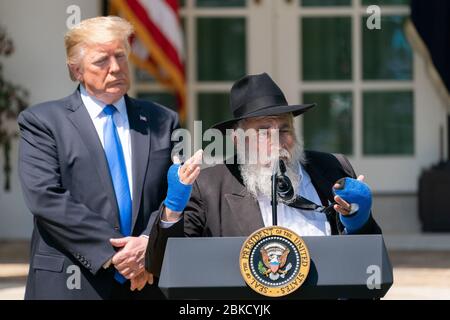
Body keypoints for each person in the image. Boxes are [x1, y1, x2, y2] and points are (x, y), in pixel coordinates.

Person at [17, 16, 197, 299]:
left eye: (121, 57)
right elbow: (45, 197)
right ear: (76, 70)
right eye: (102, 61)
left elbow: (181, 191)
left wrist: (149, 244)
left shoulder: (162, 120)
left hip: (146, 280)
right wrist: (117, 255)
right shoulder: (43, 122)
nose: (115, 69)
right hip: (71, 281)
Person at [145, 73, 382, 277]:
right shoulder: (208, 186)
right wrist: (172, 209)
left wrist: (359, 222)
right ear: (237, 140)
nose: (277, 139)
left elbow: (371, 266)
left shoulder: (332, 169)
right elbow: (163, 266)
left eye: (284, 129)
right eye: (263, 131)